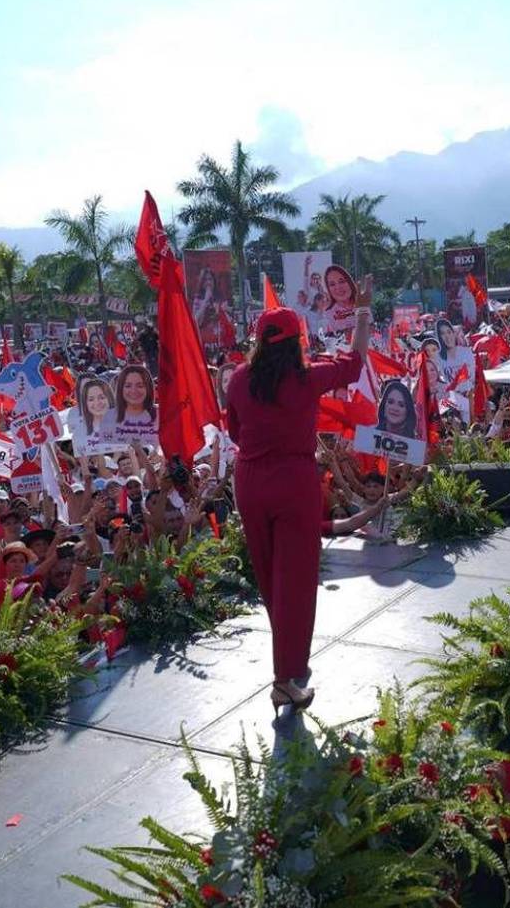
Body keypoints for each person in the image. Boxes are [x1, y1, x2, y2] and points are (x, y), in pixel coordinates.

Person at [225, 283, 371, 713]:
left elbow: (234, 432)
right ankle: (284, 680)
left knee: (270, 576)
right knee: (297, 580)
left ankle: (286, 661)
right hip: (293, 480)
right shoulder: (307, 378)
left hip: (250, 481)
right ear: (297, 342)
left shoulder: (238, 379)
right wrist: (362, 313)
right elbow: (354, 363)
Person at [322, 264, 359, 333]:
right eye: (332, 284)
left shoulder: (362, 305)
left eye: (342, 281)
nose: (338, 287)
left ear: (350, 282)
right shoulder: (327, 314)